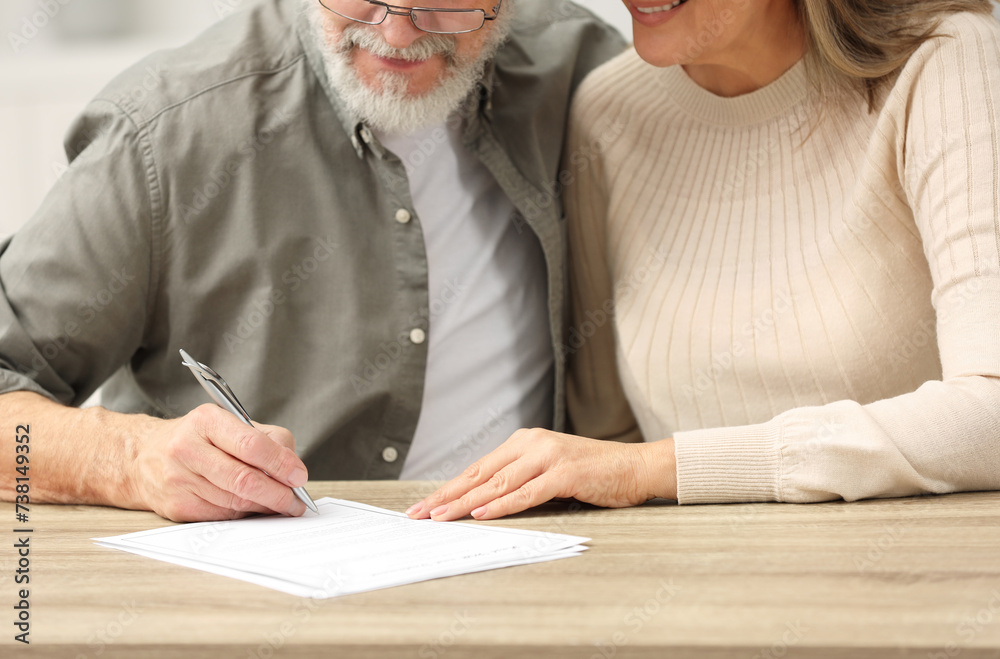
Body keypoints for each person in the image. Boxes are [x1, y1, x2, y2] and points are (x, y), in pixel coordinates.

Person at [0, 0, 625, 522]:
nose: (398, 31)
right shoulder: (166, 133)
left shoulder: (577, 64)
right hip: (258, 599)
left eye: (444, 3)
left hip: (536, 567)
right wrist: (131, 458)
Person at [408, 0, 1000, 522]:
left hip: (909, 596)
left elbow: (990, 413)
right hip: (686, 601)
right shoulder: (608, 112)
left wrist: (658, 468)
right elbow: (605, 436)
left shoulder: (944, 59)